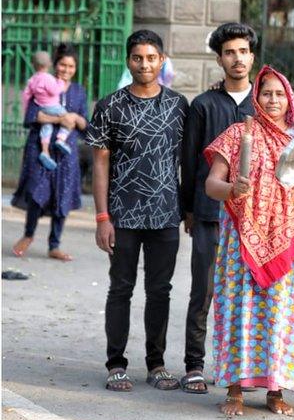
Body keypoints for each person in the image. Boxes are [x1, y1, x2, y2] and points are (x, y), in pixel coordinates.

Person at [204, 65, 294, 416]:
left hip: (290, 242)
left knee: (282, 313)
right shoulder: (238, 134)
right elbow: (211, 184)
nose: (273, 99)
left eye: (279, 93)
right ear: (256, 97)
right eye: (266, 93)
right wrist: (233, 188)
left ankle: (275, 389)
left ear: (289, 97)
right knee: (241, 310)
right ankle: (235, 388)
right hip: (242, 242)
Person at [85, 29, 189, 393]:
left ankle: (156, 364)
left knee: (160, 290)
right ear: (128, 62)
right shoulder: (110, 106)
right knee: (121, 289)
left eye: (151, 57)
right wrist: (101, 218)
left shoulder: (179, 106)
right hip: (122, 216)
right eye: (137, 58)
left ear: (162, 60)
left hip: (165, 215)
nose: (144, 64)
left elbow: (187, 163)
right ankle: (116, 364)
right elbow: (100, 165)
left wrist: (187, 210)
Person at [178, 23, 257, 394]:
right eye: (229, 52)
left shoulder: (266, 102)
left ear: (252, 56)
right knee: (204, 290)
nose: (237, 58)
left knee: (252, 293)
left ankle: (248, 369)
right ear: (220, 59)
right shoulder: (204, 105)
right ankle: (195, 364)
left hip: (257, 218)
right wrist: (189, 211)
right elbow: (191, 161)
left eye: (242, 51)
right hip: (211, 214)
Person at [12, 44, 88, 261]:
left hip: (66, 151)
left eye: (71, 66)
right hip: (40, 148)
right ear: (55, 65)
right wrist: (59, 119)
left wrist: (76, 119)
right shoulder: (42, 83)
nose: (66, 69)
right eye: (62, 64)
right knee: (36, 191)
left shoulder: (79, 91)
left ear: (75, 68)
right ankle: (28, 234)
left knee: (62, 196)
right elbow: (32, 116)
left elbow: (86, 124)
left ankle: (54, 245)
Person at [21, 51, 72, 170]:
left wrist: (26, 110)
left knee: (46, 126)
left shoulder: (32, 80)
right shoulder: (48, 78)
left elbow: (26, 96)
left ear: (33, 65)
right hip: (53, 106)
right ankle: (61, 139)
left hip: (41, 107)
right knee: (67, 119)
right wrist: (60, 82)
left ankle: (44, 151)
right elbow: (55, 91)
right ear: (49, 64)